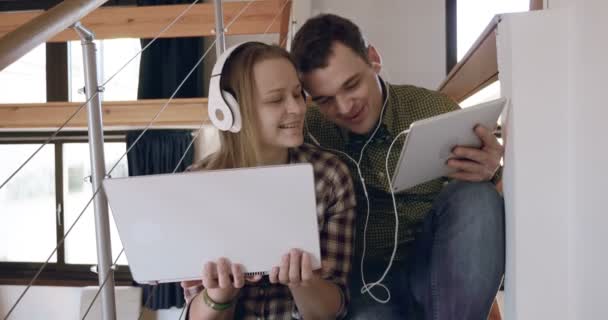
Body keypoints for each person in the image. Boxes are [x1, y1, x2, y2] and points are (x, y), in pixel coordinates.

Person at [291, 14, 505, 319]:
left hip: (435, 264)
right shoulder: (307, 132)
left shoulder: (432, 110)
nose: (344, 107)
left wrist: (490, 173)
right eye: (325, 100)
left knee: (478, 197)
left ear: (373, 60)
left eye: (351, 85)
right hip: (362, 282)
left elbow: (492, 207)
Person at [180, 42, 356, 319]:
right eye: (276, 100)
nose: (297, 109)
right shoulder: (198, 185)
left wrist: (303, 282)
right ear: (231, 110)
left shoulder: (328, 176)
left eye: (298, 94)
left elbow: (330, 311)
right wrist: (219, 296)